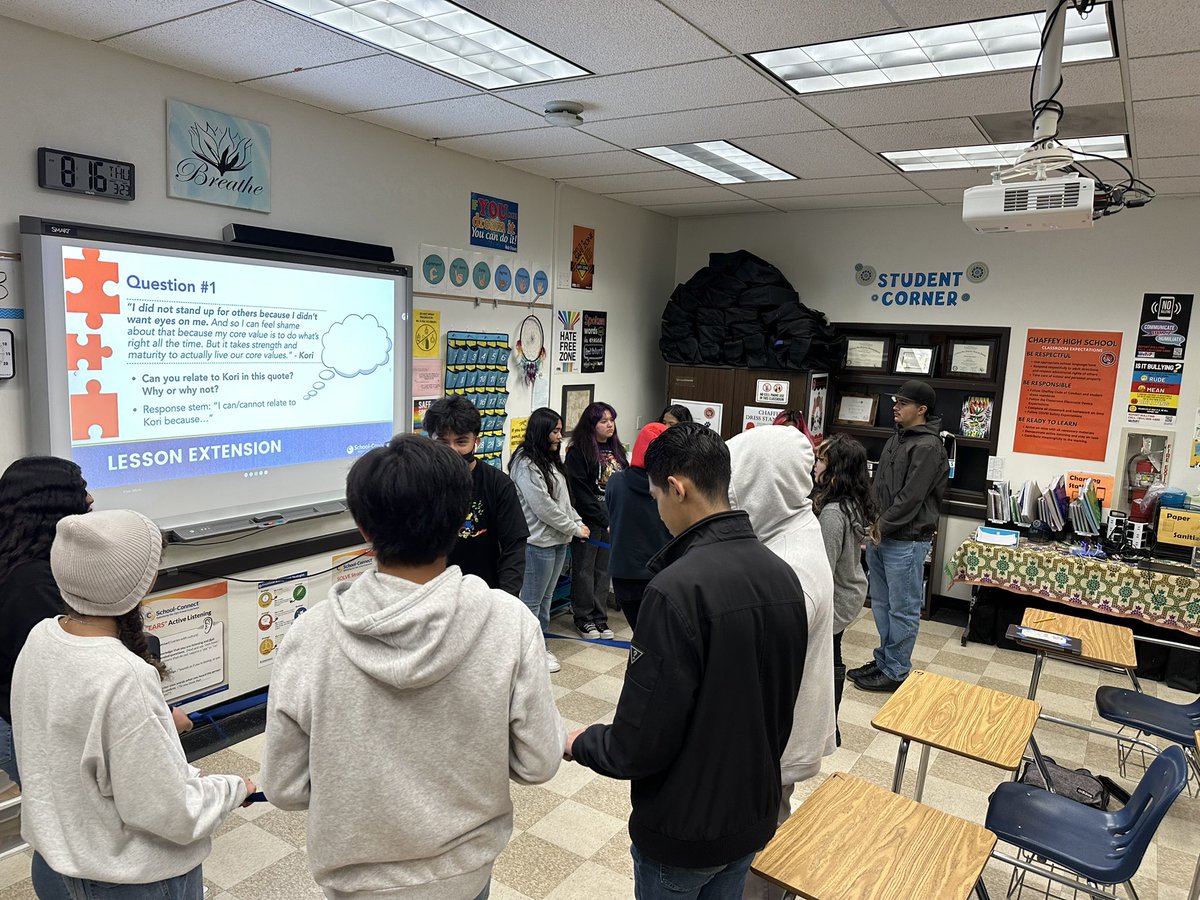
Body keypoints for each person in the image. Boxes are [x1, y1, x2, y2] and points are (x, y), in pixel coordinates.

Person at [261, 434, 564, 899]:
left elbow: (283, 787)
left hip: (354, 879)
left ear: (363, 528)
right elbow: (539, 762)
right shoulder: (509, 623)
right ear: (461, 519)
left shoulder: (311, 635)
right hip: (464, 874)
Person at [566, 423, 809, 899]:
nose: (658, 513)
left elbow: (639, 742)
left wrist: (581, 742)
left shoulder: (676, 590)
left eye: (657, 497)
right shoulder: (782, 575)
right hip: (751, 814)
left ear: (677, 488)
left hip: (683, 829)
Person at [12, 508, 250, 899]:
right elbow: (173, 812)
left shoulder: (42, 636)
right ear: (146, 580)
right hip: (123, 881)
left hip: (55, 866)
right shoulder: (124, 675)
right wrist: (238, 786)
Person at [728, 425, 835, 900]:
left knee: (758, 844)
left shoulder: (791, 565)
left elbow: (752, 673)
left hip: (770, 739)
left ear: (760, 485)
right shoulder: (787, 527)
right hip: (772, 734)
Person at [0, 457, 92, 900]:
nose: (90, 499)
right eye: (80, 491)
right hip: (25, 722)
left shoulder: (15, 557)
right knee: (66, 827)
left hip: (14, 717)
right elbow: (62, 672)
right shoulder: (32, 580)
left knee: (57, 821)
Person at [849, 380, 948, 693]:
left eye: (903, 402)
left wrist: (880, 526)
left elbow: (911, 498)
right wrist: (871, 519)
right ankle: (885, 660)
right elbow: (880, 487)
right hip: (883, 536)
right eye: (896, 400)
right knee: (881, 603)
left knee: (902, 609)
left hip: (906, 541)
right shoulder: (899, 437)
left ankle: (896, 671)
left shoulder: (929, 447)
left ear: (921, 409)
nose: (895, 406)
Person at [510, 407, 590, 673]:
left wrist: (577, 522)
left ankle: (540, 647)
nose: (559, 436)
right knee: (531, 602)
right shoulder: (525, 463)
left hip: (558, 540)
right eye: (555, 431)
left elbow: (563, 501)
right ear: (540, 431)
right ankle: (529, 654)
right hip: (538, 543)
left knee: (546, 600)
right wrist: (573, 528)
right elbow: (542, 506)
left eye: (560, 430)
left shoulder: (551, 459)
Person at [424, 395, 529, 597]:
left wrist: (505, 601)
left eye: (461, 442)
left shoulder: (498, 485)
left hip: (484, 596)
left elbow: (514, 549)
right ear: (431, 441)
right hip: (432, 595)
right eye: (443, 442)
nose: (452, 451)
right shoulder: (420, 484)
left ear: (476, 442)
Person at [812, 434, 879, 735]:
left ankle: (829, 726)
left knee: (827, 659)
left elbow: (823, 567)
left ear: (836, 470)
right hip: (850, 591)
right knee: (832, 653)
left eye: (821, 460)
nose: (815, 466)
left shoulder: (832, 513)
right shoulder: (851, 502)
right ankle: (829, 723)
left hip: (835, 596)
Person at [564, 401, 627, 640]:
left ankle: (600, 618)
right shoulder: (579, 452)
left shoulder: (616, 449)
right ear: (592, 425)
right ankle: (584, 618)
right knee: (584, 570)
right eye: (603, 421)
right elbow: (580, 491)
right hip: (589, 519)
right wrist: (601, 517)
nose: (609, 425)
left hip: (613, 517)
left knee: (604, 570)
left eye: (611, 420)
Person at [604, 422, 672, 631]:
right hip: (661, 576)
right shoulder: (671, 489)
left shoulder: (615, 482)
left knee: (640, 634)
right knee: (661, 639)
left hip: (623, 575)